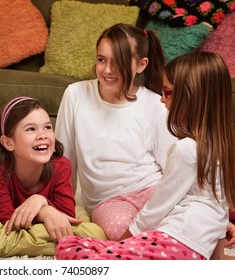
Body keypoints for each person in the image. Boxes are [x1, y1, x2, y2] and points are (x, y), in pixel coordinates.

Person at [55, 51, 235, 260]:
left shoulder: (185, 150)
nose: (162, 99)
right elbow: (219, 206)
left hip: (171, 242)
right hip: (190, 250)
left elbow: (157, 207)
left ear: (190, 97)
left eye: (168, 92)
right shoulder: (219, 147)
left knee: (68, 247)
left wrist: (124, 241)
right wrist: (218, 257)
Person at [55, 23, 177, 241]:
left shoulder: (155, 104)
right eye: (102, 59)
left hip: (153, 188)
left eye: (118, 62)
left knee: (189, 219)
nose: (107, 70)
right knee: (124, 233)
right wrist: (60, 208)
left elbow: (174, 167)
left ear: (141, 65)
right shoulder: (76, 95)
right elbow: (63, 160)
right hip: (108, 201)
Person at [0, 96, 81, 241]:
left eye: (47, 127)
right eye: (31, 129)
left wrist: (40, 201)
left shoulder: (61, 166)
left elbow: (67, 216)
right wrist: (43, 210)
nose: (43, 135)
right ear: (8, 143)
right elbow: (9, 220)